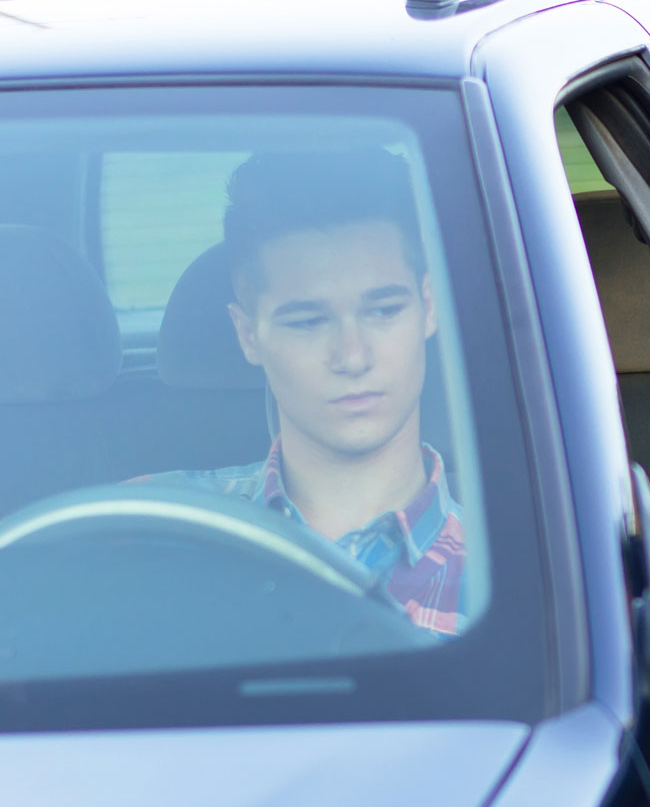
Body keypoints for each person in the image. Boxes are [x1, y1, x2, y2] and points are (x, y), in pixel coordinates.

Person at [143, 149, 466, 637]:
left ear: (427, 305)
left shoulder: (525, 576)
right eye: (308, 321)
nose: (353, 357)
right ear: (248, 333)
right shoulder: (147, 529)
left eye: (383, 311)